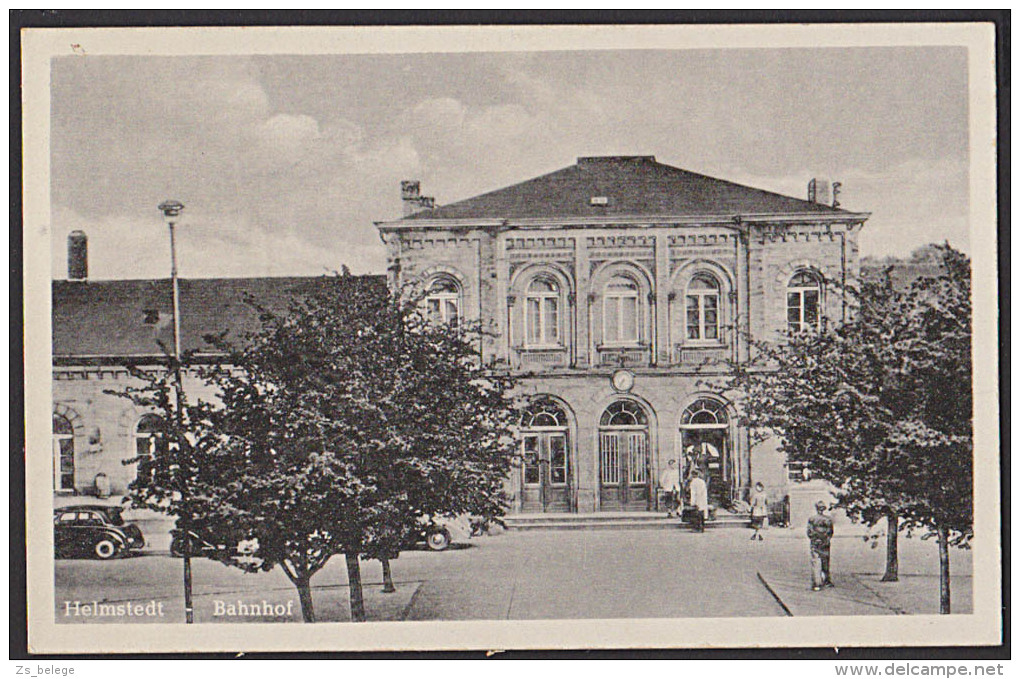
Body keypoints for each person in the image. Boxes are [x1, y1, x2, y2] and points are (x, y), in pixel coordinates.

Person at [807, 500, 835, 590]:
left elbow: (810, 532)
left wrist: (815, 538)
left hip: (815, 542)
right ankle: (826, 580)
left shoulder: (812, 519)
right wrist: (825, 538)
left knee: (815, 562)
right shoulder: (828, 519)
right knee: (825, 561)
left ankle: (816, 583)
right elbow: (830, 532)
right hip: (825, 542)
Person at [688, 469, 709, 533]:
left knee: (697, 514)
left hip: (697, 499)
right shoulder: (702, 481)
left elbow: (693, 493)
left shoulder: (693, 482)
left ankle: (697, 528)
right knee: (702, 513)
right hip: (703, 499)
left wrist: (692, 502)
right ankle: (702, 527)